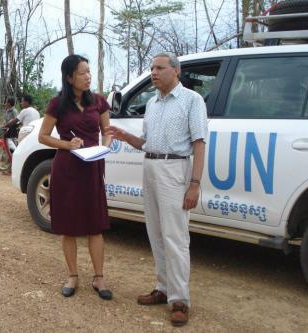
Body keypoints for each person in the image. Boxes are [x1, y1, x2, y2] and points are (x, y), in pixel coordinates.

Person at [106, 53, 207, 326]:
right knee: (156, 233)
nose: (153, 72)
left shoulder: (192, 101)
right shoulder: (152, 103)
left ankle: (180, 300)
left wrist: (195, 184)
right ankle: (163, 289)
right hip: (150, 168)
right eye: (151, 68)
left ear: (176, 71)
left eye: (159, 68)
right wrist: (126, 136)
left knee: (175, 237)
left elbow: (199, 143)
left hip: (175, 170)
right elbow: (146, 143)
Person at [38, 54, 113, 300]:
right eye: (82, 73)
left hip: (92, 167)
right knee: (69, 226)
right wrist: (67, 144)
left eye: (89, 71)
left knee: (95, 225)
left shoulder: (99, 102)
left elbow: (106, 131)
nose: (88, 76)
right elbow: (43, 136)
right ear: (69, 77)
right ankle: (72, 275)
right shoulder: (57, 104)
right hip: (67, 169)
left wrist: (106, 146)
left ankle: (99, 277)